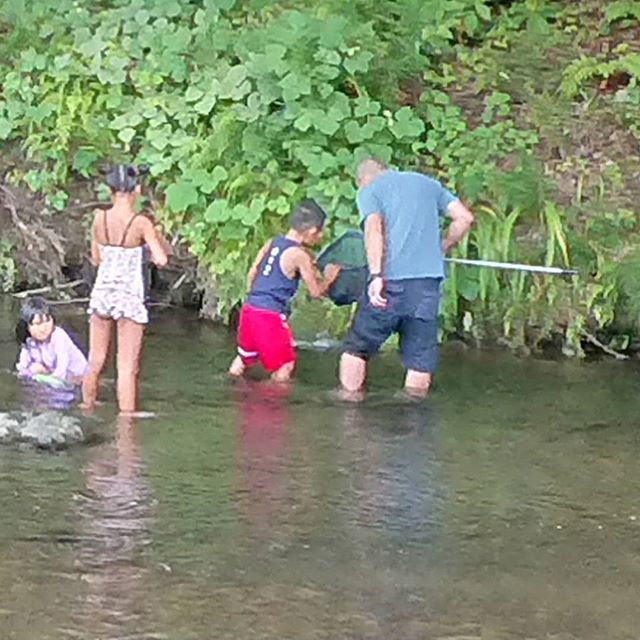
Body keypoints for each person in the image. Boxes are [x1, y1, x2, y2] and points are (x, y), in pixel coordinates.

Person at [339, 158, 475, 399]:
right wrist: (443, 245)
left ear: (362, 181)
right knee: (420, 358)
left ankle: (350, 406)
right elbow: (464, 219)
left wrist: (376, 275)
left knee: (356, 349)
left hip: (391, 282)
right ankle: (413, 414)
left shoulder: (370, 190)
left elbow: (373, 229)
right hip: (427, 285)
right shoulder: (429, 185)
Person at [82, 164, 169, 415]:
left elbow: (96, 259)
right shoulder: (140, 222)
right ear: (137, 190)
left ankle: (86, 407)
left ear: (110, 190)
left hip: (102, 292)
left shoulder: (100, 218)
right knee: (126, 366)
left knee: (96, 359)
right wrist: (155, 239)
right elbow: (161, 259)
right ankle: (127, 419)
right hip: (128, 296)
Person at [228, 199, 341, 382]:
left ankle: (230, 389)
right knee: (285, 365)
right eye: (320, 232)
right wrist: (330, 277)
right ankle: (273, 406)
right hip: (269, 315)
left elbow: (252, 273)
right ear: (312, 230)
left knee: (244, 358)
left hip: (249, 310)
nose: (320, 236)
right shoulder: (299, 255)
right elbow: (315, 291)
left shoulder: (272, 243)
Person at [15, 296, 88, 385]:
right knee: (34, 368)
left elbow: (62, 368)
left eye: (47, 321)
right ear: (27, 327)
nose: (43, 328)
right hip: (53, 374)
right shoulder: (29, 341)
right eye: (38, 324)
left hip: (76, 375)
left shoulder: (59, 336)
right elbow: (22, 367)